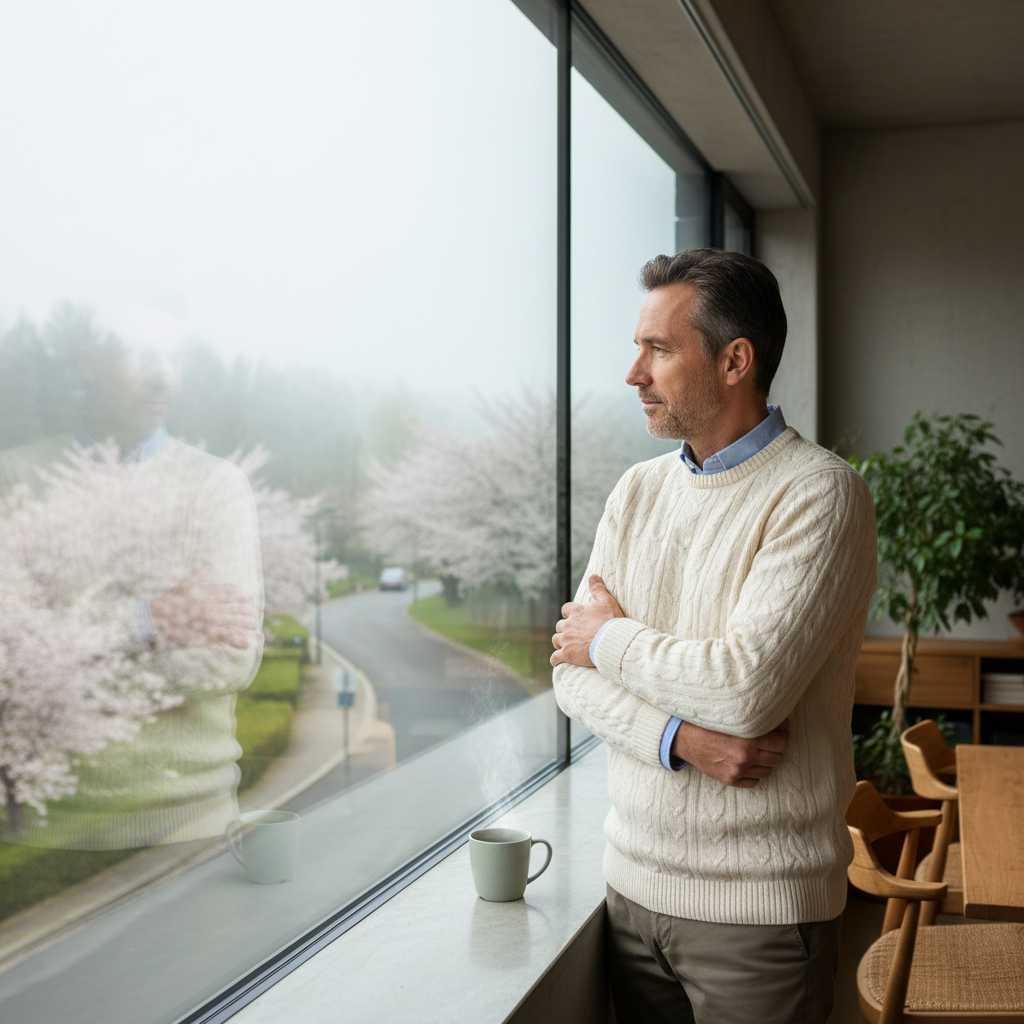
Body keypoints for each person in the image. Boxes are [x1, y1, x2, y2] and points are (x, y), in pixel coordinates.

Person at [550, 249, 877, 1024]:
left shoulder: (821, 494)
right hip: (628, 891)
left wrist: (608, 639)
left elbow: (743, 686)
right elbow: (569, 674)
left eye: (658, 349)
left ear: (736, 360)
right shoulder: (636, 491)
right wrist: (679, 738)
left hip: (758, 917)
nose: (634, 373)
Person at [0, 303, 262, 850]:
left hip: (194, 823)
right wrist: (148, 621)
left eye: (174, 356)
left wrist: (60, 669)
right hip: (46, 836)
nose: (163, 374)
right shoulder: (14, 478)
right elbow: (10, 659)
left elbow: (230, 659)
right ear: (89, 360)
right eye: (142, 354)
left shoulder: (215, 486)